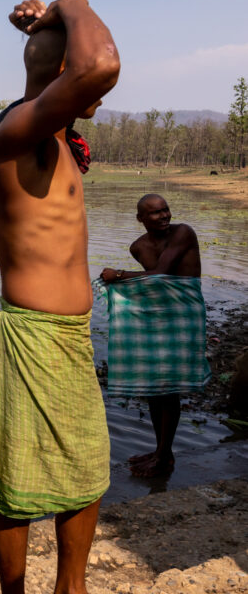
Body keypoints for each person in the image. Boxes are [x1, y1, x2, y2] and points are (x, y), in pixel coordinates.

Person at [0, 0, 119, 593]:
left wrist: (44, 31)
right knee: (18, 476)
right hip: (33, 335)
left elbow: (86, 71)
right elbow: (100, 63)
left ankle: (70, 587)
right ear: (61, 77)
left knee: (85, 462)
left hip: (69, 336)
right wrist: (71, 4)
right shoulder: (17, 136)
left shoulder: (51, 138)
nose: (101, 98)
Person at [100, 194, 204, 477]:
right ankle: (162, 452)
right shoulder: (139, 247)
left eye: (165, 210)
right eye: (155, 213)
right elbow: (153, 286)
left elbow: (161, 274)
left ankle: (163, 455)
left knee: (168, 387)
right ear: (141, 219)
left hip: (183, 315)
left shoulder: (184, 232)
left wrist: (118, 276)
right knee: (155, 386)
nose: (164, 216)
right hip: (157, 316)